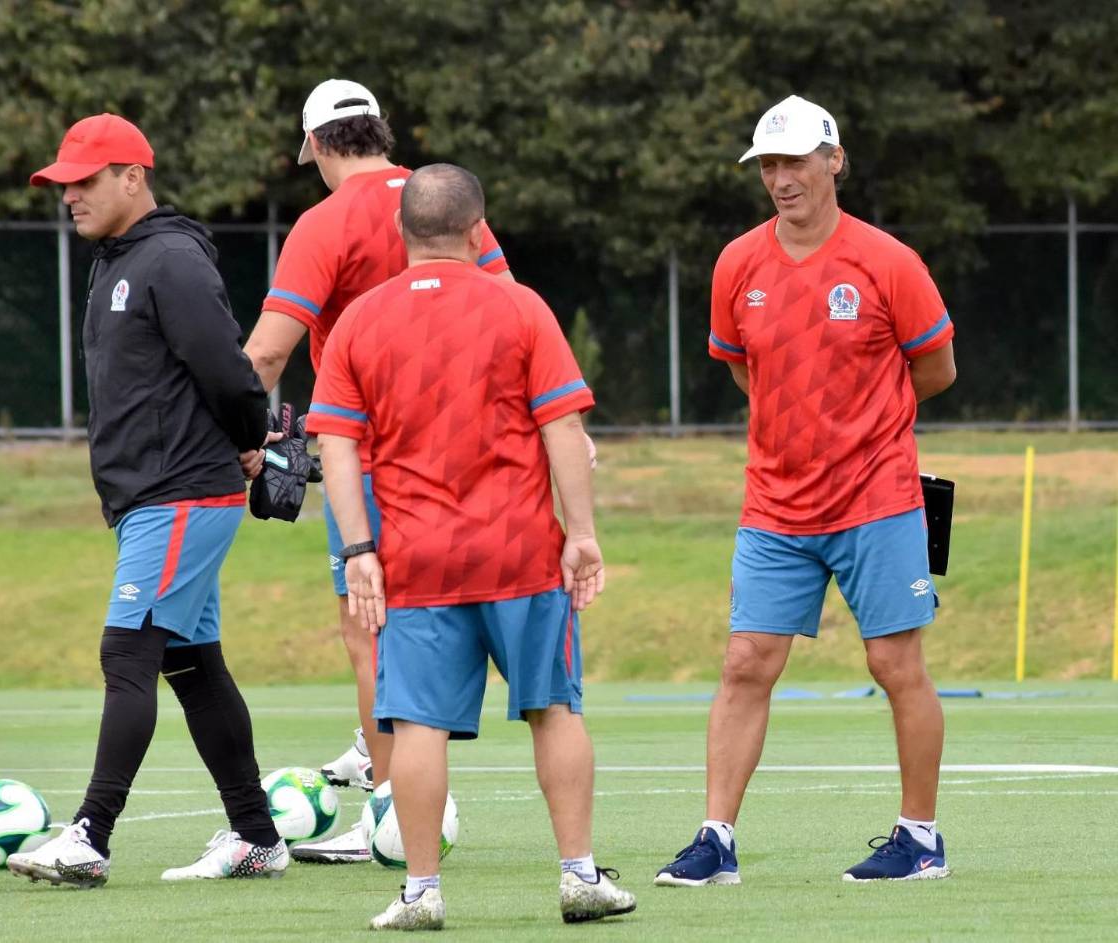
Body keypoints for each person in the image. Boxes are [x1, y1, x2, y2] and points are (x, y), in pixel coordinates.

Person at [311, 164, 636, 931]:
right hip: (520, 553)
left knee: (418, 726)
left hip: (415, 562)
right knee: (553, 707)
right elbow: (563, 430)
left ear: (402, 232)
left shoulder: (359, 319)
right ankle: (579, 876)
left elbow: (335, 444)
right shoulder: (521, 308)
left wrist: (360, 547)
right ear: (478, 229)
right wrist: (582, 534)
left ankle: (421, 891)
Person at [654, 95, 957, 888]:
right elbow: (741, 367)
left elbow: (937, 368)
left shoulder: (888, 261)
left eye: (794, 162)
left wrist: (865, 427)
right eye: (769, 166)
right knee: (746, 661)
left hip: (879, 498)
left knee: (897, 664)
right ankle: (715, 840)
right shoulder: (737, 263)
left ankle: (920, 836)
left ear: (834, 160)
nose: (781, 180)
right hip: (775, 504)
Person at [8, 113, 286, 887]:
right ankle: (257, 835)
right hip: (155, 496)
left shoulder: (168, 258)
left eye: (85, 181)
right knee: (193, 663)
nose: (69, 196)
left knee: (126, 653)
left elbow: (230, 374)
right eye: (63, 184)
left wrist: (251, 438)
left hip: (183, 493)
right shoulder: (114, 260)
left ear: (133, 177)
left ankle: (90, 834)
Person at [242, 79, 512, 864]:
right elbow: (509, 308)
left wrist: (231, 430)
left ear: (321, 145)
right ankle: (386, 758)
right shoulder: (443, 201)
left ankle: (391, 811)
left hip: (373, 449)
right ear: (380, 133)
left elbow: (266, 351)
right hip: (472, 447)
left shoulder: (326, 221)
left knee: (369, 625)